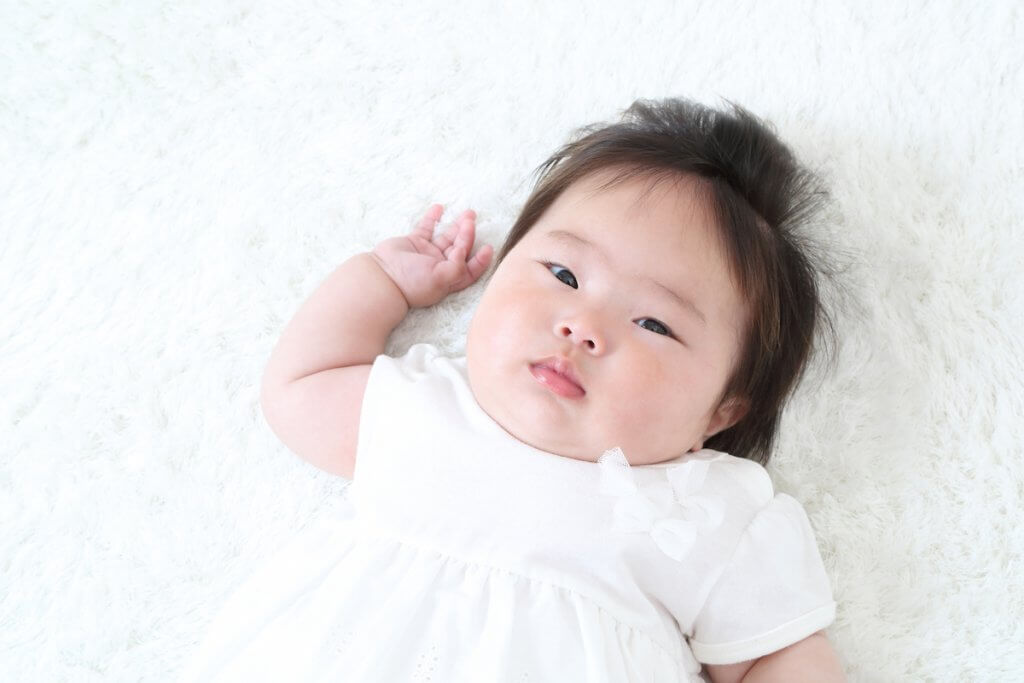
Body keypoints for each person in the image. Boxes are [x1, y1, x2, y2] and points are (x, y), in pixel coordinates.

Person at [179, 97, 846, 682]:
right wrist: (380, 280)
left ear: (723, 410)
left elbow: (775, 655)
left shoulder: (704, 514)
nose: (582, 326)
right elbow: (301, 386)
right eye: (563, 274)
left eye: (653, 323)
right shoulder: (423, 409)